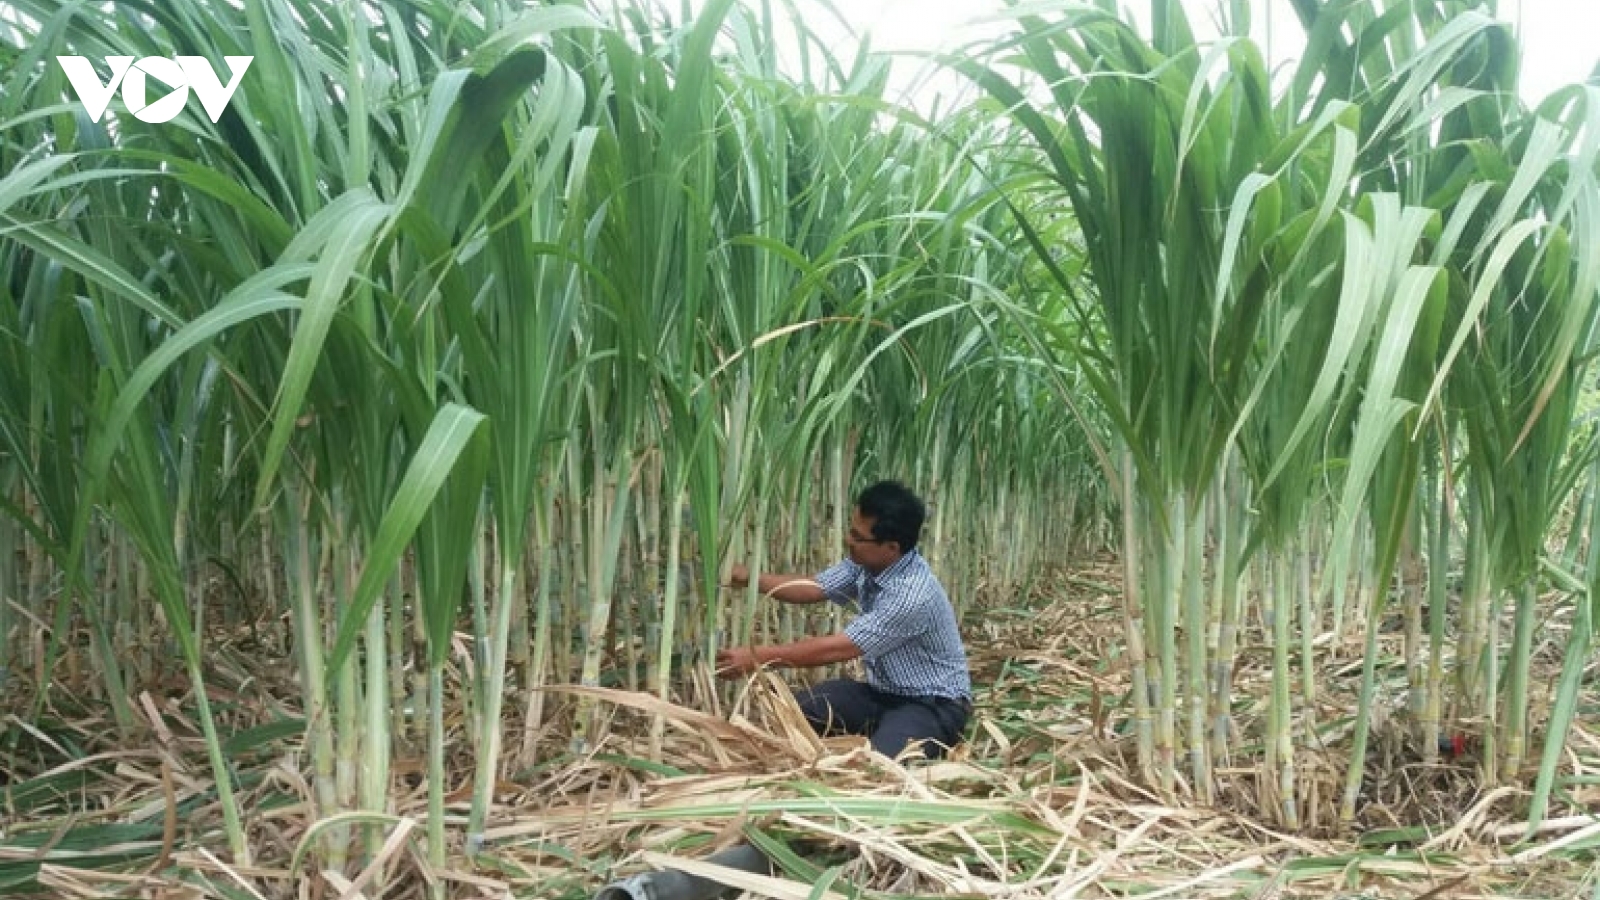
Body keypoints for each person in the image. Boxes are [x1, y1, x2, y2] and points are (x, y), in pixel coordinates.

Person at [715, 480, 972, 760]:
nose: (848, 541)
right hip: (880, 694)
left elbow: (838, 649)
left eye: (857, 537)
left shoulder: (913, 595)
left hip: (931, 705)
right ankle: (875, 728)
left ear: (891, 547)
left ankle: (895, 739)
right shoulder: (867, 563)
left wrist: (756, 658)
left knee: (881, 764)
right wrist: (749, 579)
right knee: (794, 714)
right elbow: (813, 587)